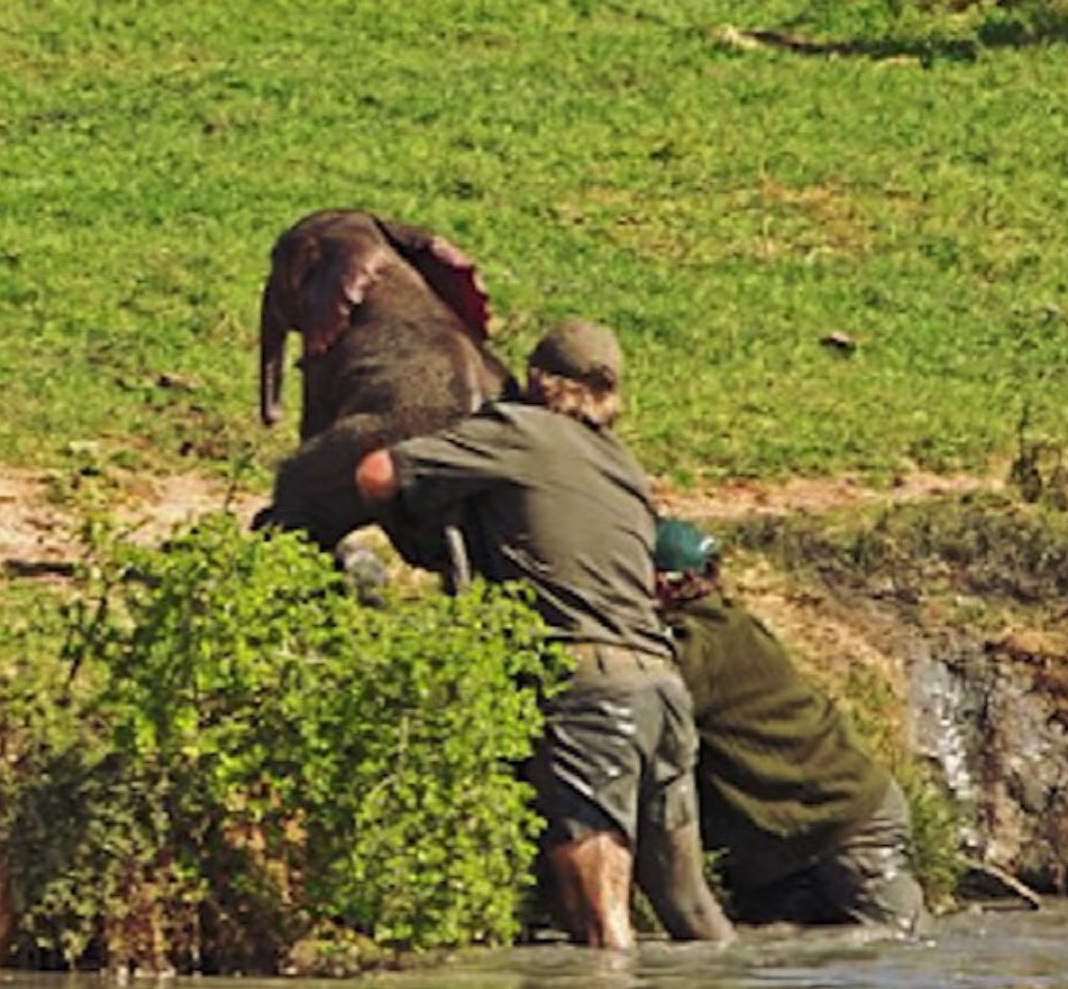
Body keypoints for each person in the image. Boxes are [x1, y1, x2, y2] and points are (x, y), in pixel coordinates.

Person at [354, 318, 733, 949]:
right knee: (694, 915)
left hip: (587, 695)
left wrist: (415, 540)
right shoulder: (625, 469)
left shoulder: (520, 431)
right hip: (662, 691)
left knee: (602, 933)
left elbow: (375, 473)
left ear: (536, 380)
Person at [652, 518, 928, 936]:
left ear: (668, 584)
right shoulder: (732, 625)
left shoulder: (700, 646)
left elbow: (652, 700)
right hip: (797, 835)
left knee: (898, 953)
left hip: (844, 824)